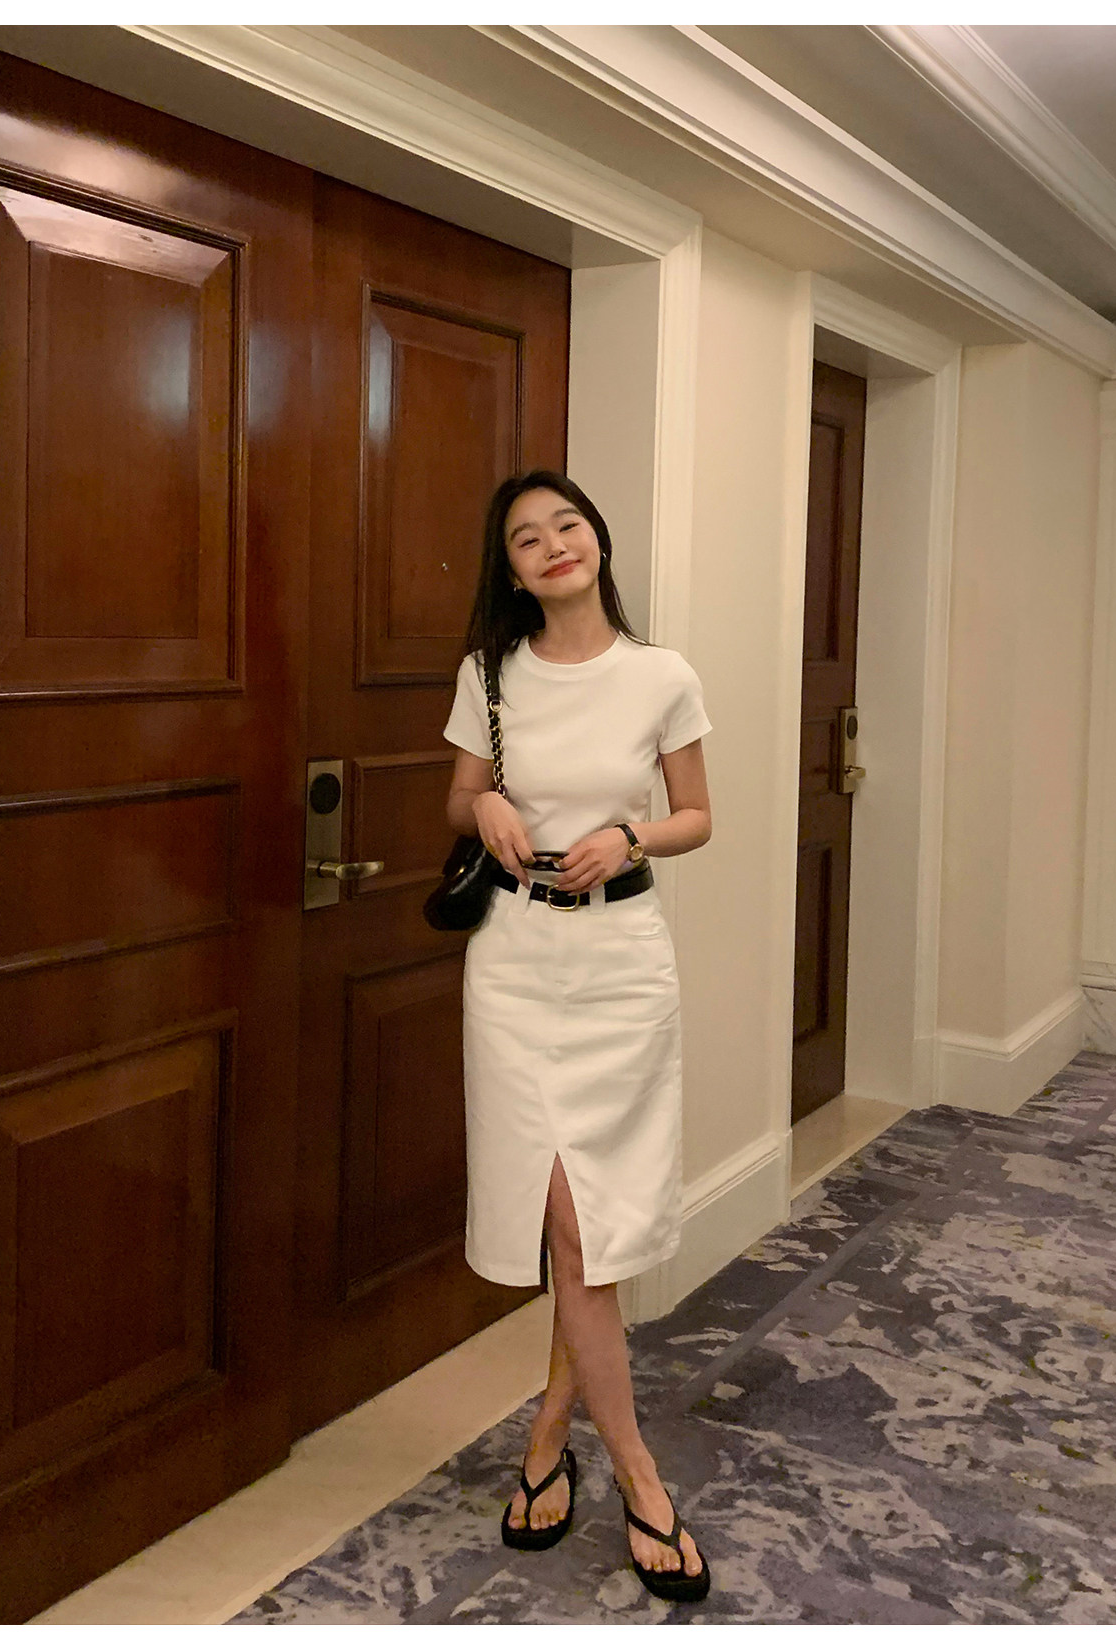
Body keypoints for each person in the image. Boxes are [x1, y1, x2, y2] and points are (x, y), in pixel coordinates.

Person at [441, 470, 714, 1603]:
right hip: (515, 963)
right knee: (566, 1217)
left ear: (595, 540)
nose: (553, 544)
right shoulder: (489, 675)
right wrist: (484, 805)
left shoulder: (661, 674)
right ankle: (643, 1477)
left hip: (620, 967)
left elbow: (699, 817)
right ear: (511, 571)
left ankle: (554, 1434)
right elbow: (459, 799)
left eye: (567, 525)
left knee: (587, 1228)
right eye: (526, 538)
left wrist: (632, 836)